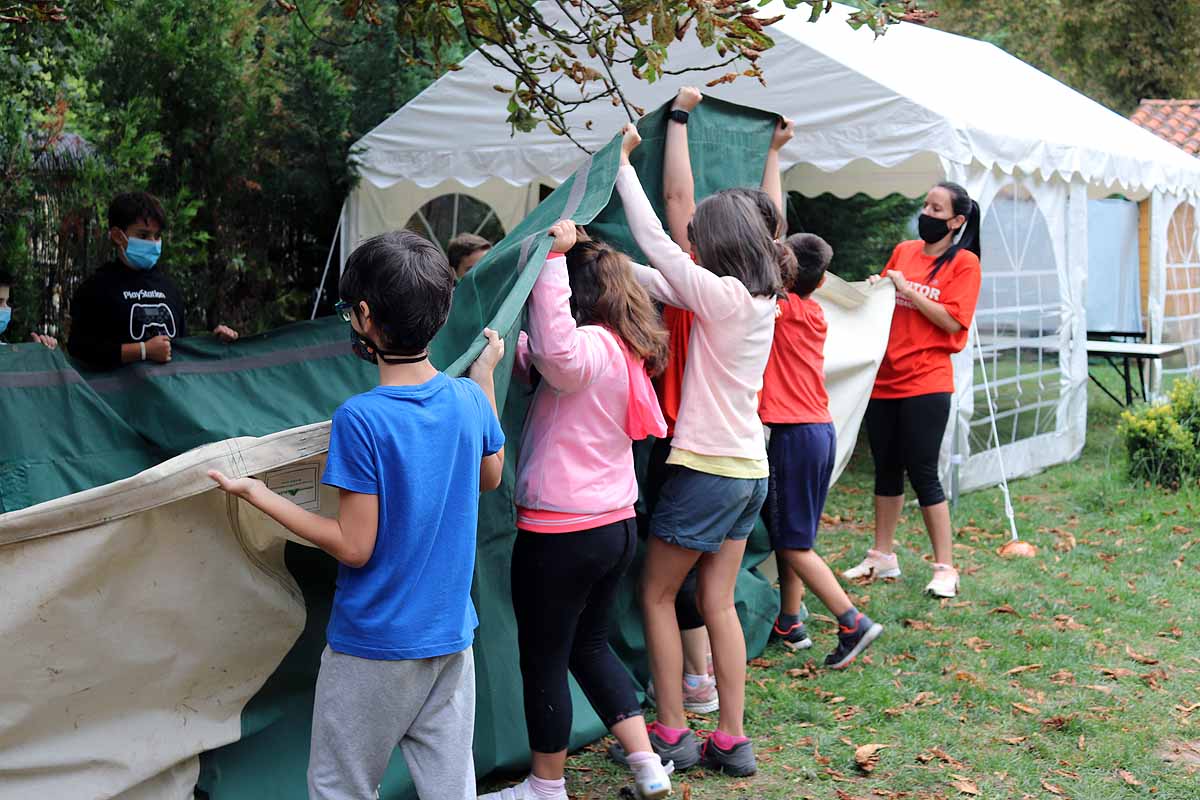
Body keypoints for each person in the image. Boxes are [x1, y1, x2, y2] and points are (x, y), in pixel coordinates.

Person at [209, 229, 506, 800]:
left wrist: (258, 495)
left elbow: (354, 545)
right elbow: (490, 475)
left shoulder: (361, 419)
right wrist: (485, 378)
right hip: (450, 639)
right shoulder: (468, 399)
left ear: (365, 316)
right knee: (451, 788)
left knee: (340, 786)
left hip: (374, 647)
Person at [616, 123, 788, 778]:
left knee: (657, 595)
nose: (688, 241)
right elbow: (654, 277)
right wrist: (594, 259)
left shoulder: (720, 296)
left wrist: (624, 167)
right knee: (717, 602)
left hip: (708, 470)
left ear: (715, 245)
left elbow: (658, 248)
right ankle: (731, 740)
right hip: (749, 472)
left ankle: (672, 733)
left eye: (698, 238)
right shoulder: (756, 301)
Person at [480, 221, 673, 800]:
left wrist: (552, 261)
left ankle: (544, 786)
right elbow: (548, 363)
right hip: (613, 526)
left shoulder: (587, 346)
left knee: (543, 658)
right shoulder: (622, 349)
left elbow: (559, 355)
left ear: (577, 294)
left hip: (564, 531)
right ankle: (646, 766)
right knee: (589, 646)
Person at [642, 87, 803, 710]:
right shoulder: (765, 289)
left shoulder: (707, 286)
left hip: (693, 442)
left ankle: (680, 713)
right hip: (745, 458)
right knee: (714, 591)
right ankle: (711, 694)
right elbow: (774, 222)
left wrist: (678, 118)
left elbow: (678, 208)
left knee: (662, 586)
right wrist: (773, 154)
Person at [843, 182, 982, 599]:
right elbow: (886, 299)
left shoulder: (965, 264)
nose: (926, 213)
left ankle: (945, 568)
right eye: (925, 204)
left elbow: (953, 322)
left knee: (923, 472)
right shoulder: (904, 252)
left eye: (936, 208)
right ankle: (881, 555)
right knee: (885, 468)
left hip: (926, 381)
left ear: (957, 221)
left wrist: (906, 290)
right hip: (884, 378)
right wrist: (879, 287)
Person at [760, 233, 884, 668]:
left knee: (792, 543)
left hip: (794, 436)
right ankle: (790, 621)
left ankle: (852, 622)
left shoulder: (780, 311)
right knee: (797, 535)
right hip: (819, 430)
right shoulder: (812, 311)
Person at [67, 192, 239, 369]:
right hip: (117, 395)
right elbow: (80, 350)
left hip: (168, 392)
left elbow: (182, 347)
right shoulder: (96, 288)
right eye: (143, 236)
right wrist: (142, 350)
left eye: (157, 236)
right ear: (118, 236)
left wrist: (214, 342)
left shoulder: (168, 288)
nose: (152, 243)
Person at [0, 270, 57, 349]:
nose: (6, 309)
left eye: (7, 302)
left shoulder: (7, 350)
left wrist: (38, 352)